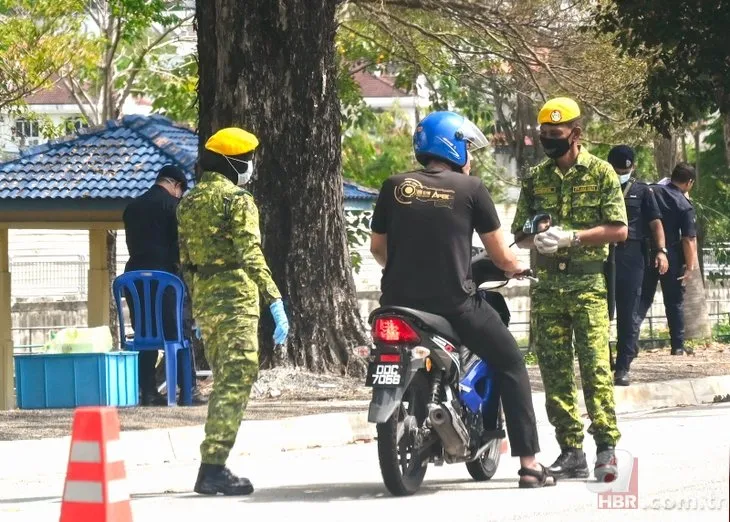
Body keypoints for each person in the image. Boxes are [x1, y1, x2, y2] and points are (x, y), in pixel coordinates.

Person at [370, 110, 556, 488]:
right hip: (454, 306)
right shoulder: (471, 190)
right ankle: (530, 465)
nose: (470, 156)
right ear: (453, 146)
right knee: (510, 363)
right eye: (468, 147)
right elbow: (501, 255)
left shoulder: (394, 185)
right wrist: (516, 267)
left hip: (396, 305)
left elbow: (377, 248)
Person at [510, 97, 627, 482]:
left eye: (555, 135)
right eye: (544, 134)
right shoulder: (536, 178)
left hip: (588, 284)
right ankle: (571, 450)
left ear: (576, 134)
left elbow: (619, 229)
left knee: (595, 367)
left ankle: (606, 448)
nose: (548, 140)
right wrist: (536, 240)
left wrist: (572, 237)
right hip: (547, 287)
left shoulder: (602, 173)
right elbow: (519, 234)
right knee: (555, 371)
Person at [177, 127, 289, 496]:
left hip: (207, 302)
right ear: (233, 163)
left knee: (225, 378)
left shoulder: (188, 202)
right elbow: (250, 252)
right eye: (247, 160)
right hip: (236, 301)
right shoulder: (237, 200)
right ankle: (212, 467)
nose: (251, 167)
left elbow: (186, 261)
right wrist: (274, 298)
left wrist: (195, 308)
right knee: (235, 379)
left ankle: (212, 464)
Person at [122, 164, 202, 406]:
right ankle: (188, 391)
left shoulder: (131, 208)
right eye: (181, 191)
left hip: (135, 282)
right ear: (176, 186)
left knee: (144, 334)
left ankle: (147, 392)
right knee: (179, 334)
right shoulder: (174, 207)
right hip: (168, 283)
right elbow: (181, 248)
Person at [606, 145, 668, 386]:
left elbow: (655, 224)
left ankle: (623, 367)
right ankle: (604, 360)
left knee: (629, 313)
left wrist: (661, 251)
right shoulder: (599, 188)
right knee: (601, 312)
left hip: (632, 255)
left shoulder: (643, 191)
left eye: (626, 169)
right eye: (619, 169)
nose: (623, 173)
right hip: (603, 253)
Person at [635, 163, 698, 356]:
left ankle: (629, 343)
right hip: (672, 256)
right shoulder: (684, 204)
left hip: (644, 252)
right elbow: (688, 239)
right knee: (674, 301)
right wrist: (690, 266)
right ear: (689, 183)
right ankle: (677, 346)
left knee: (643, 299)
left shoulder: (650, 190)